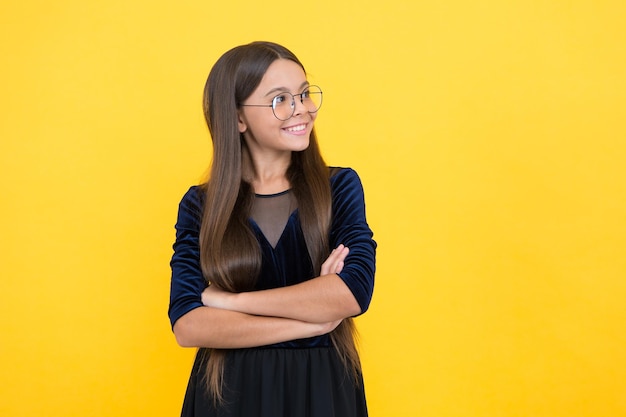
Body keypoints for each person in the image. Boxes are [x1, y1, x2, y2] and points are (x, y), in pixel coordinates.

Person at [168, 41, 376, 417]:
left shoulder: (339, 188)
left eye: (304, 94)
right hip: (229, 394)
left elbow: (350, 294)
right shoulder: (201, 206)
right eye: (280, 99)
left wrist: (231, 302)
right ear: (237, 118)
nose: (303, 109)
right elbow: (189, 325)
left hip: (323, 391)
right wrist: (313, 324)